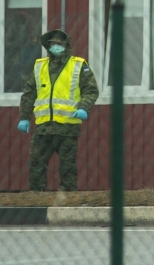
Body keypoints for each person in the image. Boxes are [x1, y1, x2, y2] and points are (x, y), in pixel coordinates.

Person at [17, 29, 98, 191]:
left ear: (66, 45)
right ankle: (36, 195)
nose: (56, 47)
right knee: (36, 163)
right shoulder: (40, 66)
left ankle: (67, 197)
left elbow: (91, 90)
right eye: (52, 44)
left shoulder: (78, 65)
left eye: (59, 44)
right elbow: (29, 92)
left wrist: (84, 108)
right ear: (48, 46)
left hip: (67, 126)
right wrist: (24, 117)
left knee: (68, 166)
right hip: (43, 126)